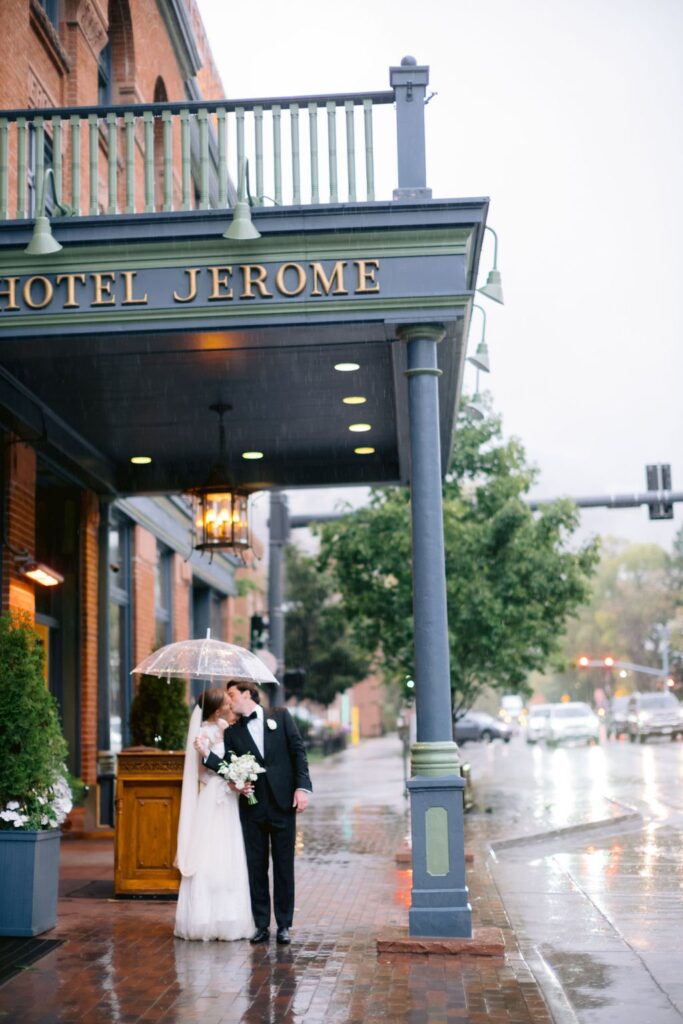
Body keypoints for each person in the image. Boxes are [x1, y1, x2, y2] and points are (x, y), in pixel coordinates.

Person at [200, 680, 312, 945]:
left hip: (284, 802)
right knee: (256, 867)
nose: (229, 701)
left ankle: (284, 924)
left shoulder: (280, 716)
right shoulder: (232, 732)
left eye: (232, 695)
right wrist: (207, 755)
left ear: (247, 694)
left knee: (284, 866)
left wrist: (302, 788)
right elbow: (228, 766)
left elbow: (298, 752)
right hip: (252, 806)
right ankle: (261, 925)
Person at [174, 687, 254, 941]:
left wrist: (238, 777)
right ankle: (203, 918)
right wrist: (227, 780)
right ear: (216, 706)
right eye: (225, 700)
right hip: (213, 796)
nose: (229, 703)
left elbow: (232, 757)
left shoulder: (224, 726)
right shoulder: (201, 734)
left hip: (230, 798)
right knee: (212, 852)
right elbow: (201, 774)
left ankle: (231, 917)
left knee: (231, 852)